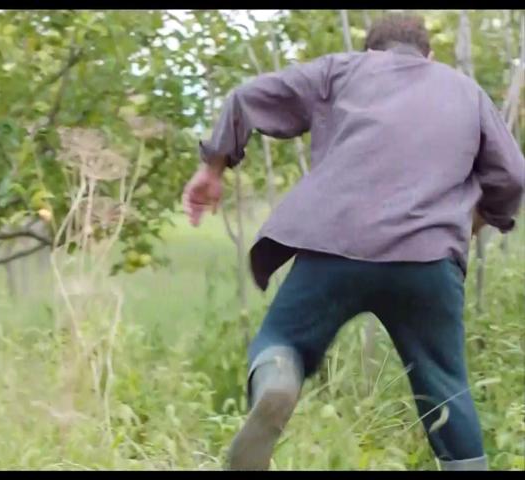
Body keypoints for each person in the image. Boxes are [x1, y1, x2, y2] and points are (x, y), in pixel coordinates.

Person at [182, 13, 524, 471]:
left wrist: (212, 169)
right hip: (427, 260)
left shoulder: (341, 70)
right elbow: (512, 175)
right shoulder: (465, 91)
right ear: (429, 56)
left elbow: (248, 97)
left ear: (370, 52)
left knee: (282, 341)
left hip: (335, 247)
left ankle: (278, 382)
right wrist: (472, 224)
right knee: (446, 386)